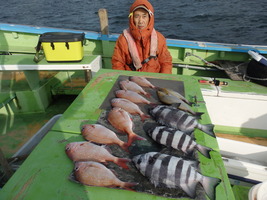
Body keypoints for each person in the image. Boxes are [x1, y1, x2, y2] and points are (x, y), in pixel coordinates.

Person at [111, 0, 173, 74]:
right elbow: (117, 63)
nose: (141, 21)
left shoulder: (159, 38)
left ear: (150, 18)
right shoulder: (123, 39)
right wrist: (124, 80)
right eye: (137, 16)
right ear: (132, 18)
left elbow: (166, 63)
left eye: (144, 16)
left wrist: (163, 81)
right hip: (131, 81)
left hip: (154, 79)